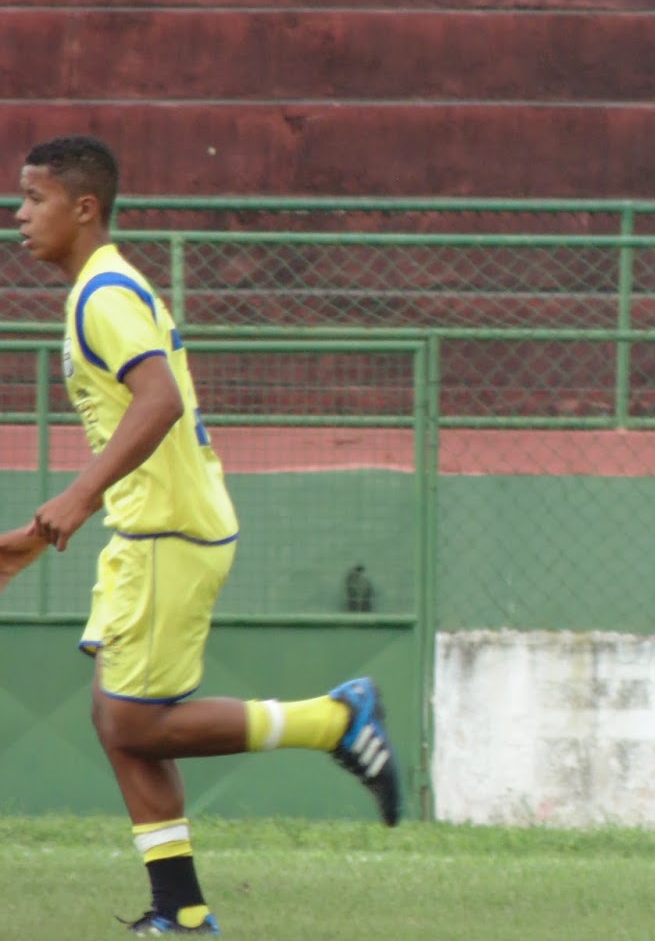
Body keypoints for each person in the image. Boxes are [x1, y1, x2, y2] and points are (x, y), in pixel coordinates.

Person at [1, 135, 402, 936]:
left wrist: (76, 499)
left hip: (167, 532)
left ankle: (336, 720)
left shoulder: (103, 295)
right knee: (119, 723)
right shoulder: (103, 289)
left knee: (134, 724)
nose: (20, 216)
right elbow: (137, 422)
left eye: (36, 198)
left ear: (85, 207)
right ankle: (179, 911)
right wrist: (43, 535)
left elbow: (160, 403)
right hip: (152, 527)